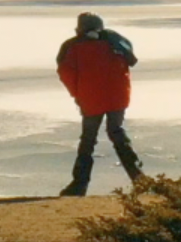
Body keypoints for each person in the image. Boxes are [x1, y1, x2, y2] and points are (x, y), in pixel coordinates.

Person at [56, 12, 144, 196]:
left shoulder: (72, 46)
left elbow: (65, 73)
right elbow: (131, 61)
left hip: (90, 99)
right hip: (117, 98)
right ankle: (139, 178)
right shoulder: (116, 41)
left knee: (88, 139)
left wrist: (77, 95)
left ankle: (79, 184)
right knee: (117, 133)